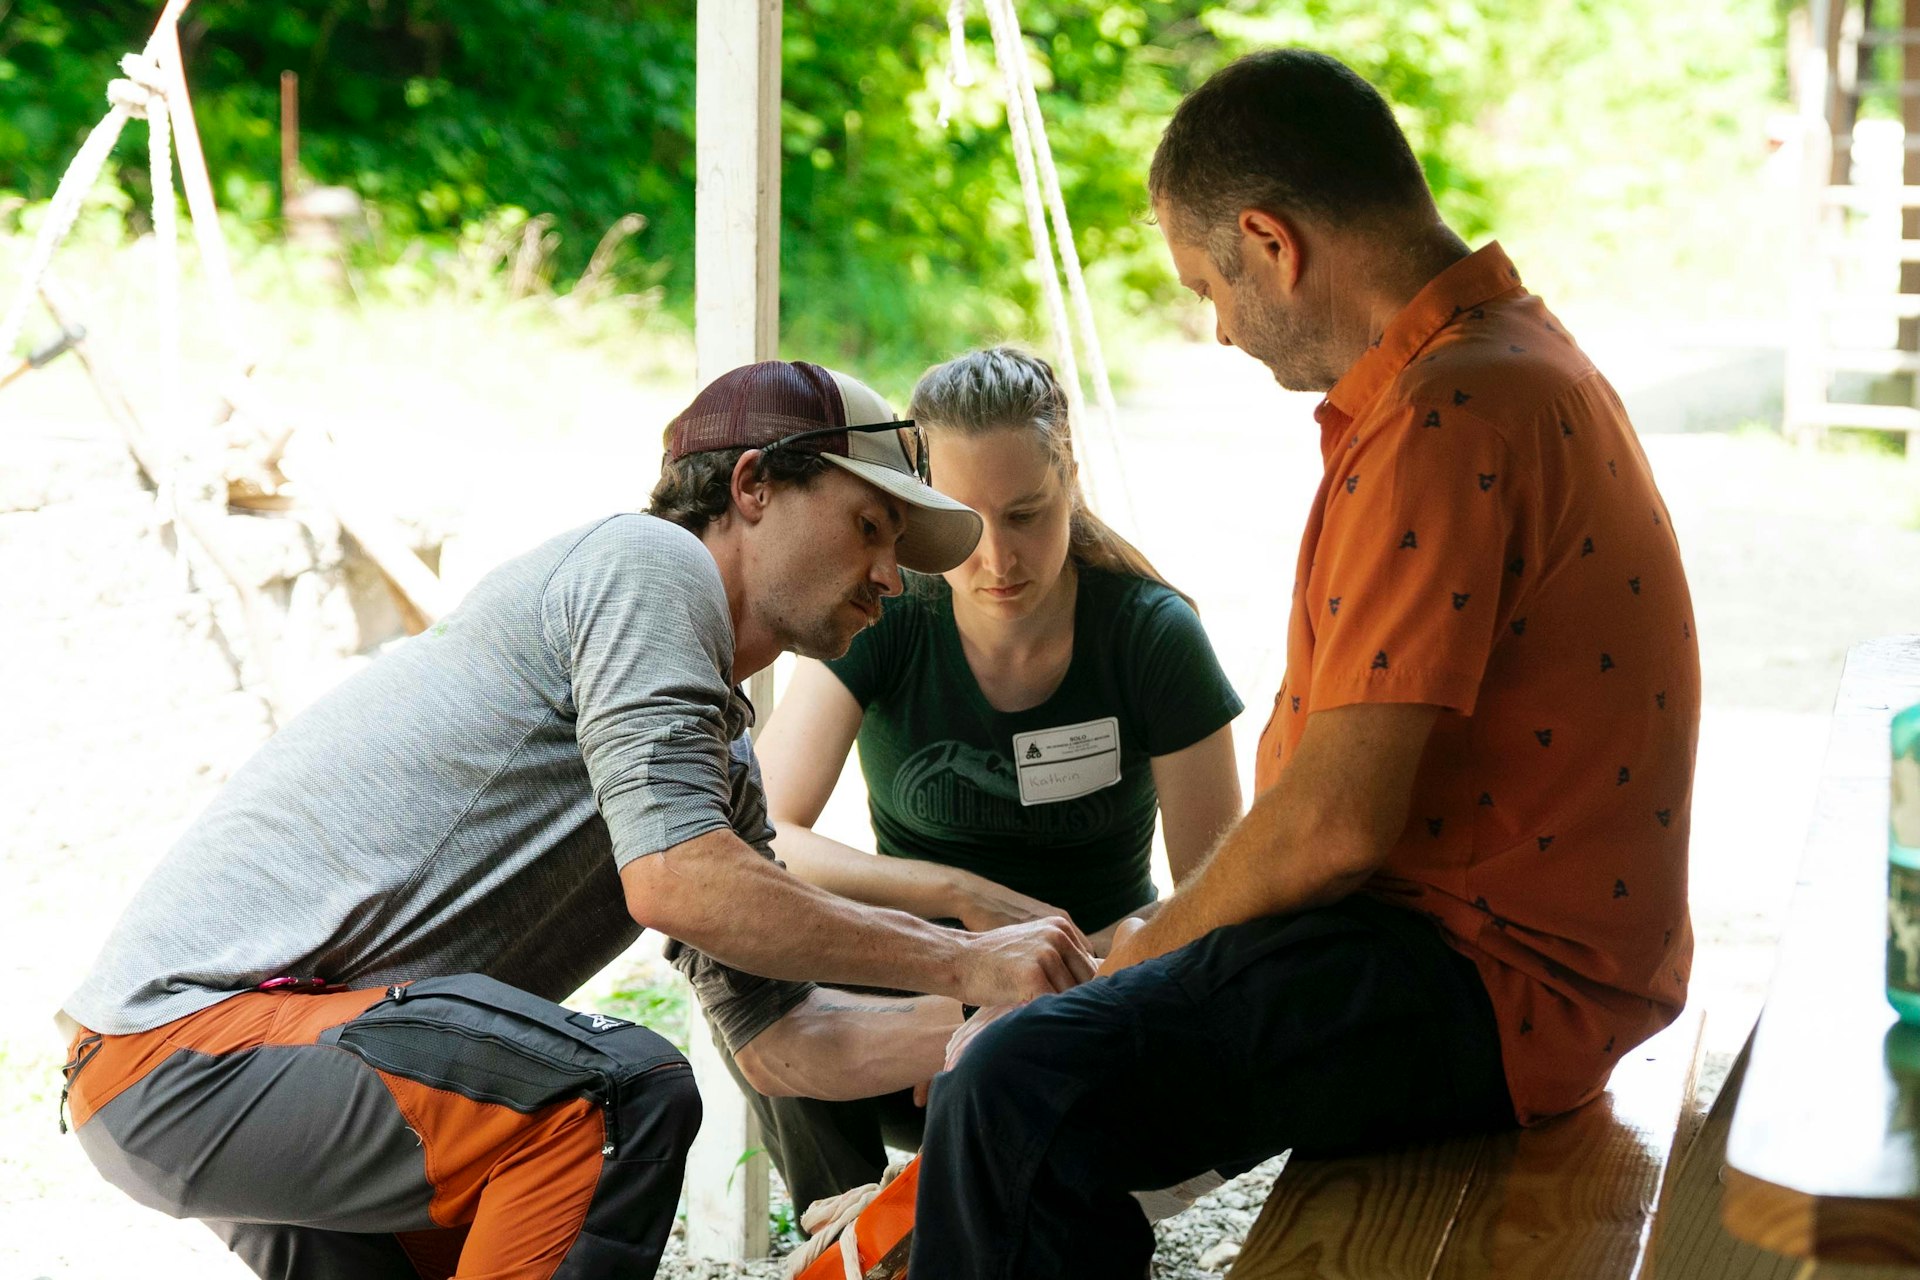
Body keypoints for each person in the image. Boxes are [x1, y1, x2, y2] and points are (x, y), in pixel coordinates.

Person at [907, 49, 1701, 1279]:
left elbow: (1335, 824)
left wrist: (1140, 950)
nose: (1216, 329)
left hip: (1496, 978)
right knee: (1046, 1066)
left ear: (1272, 242)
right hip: (1501, 949)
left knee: (1015, 1087)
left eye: (1207, 285)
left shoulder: (1453, 411)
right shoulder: (1496, 358)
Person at [54, 358, 1095, 1280]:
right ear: (753, 485)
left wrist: (1006, 1023)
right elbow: (676, 880)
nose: (891, 574)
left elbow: (785, 1039)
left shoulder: (711, 752)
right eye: (871, 525)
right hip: (192, 1040)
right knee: (614, 1096)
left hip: (303, 1066)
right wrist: (967, 960)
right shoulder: (647, 565)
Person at [742, 346, 1246, 1212]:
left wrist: (1052, 977)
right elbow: (766, 835)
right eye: (967, 522)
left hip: (1095, 986)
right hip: (920, 987)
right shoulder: (888, 613)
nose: (999, 559)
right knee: (747, 949)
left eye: (1027, 515)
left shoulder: (1152, 636)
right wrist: (964, 900)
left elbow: (1217, 895)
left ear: (1071, 482)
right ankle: (852, 1232)